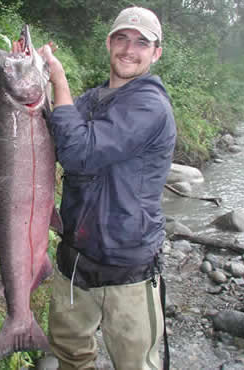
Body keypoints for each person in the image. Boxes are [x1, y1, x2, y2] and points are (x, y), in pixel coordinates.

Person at [36, 6, 176, 370]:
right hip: (74, 262)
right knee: (70, 358)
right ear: (108, 42)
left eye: (141, 43)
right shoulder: (91, 100)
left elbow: (80, 153)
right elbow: (56, 138)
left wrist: (59, 80)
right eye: (122, 38)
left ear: (156, 53)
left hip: (127, 270)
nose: (129, 49)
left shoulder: (150, 105)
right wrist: (28, 83)